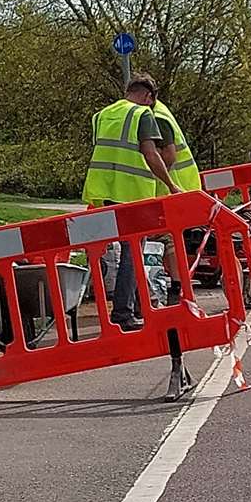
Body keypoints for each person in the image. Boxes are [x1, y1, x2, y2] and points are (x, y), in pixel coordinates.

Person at [83, 74, 180, 331]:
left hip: (104, 190)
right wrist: (171, 185)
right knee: (132, 253)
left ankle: (137, 306)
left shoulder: (103, 115)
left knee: (119, 251)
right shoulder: (142, 115)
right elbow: (150, 153)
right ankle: (124, 312)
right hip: (133, 193)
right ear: (148, 97)